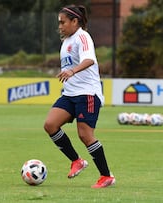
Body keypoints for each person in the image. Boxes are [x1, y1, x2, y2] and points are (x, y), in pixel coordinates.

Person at [43, 5, 115, 188]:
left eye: (63, 22)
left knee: (85, 135)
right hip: (70, 94)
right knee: (50, 125)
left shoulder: (82, 36)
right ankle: (77, 161)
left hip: (87, 93)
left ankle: (106, 176)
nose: (59, 26)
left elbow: (89, 59)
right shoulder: (66, 40)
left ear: (75, 21)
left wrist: (72, 71)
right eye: (59, 22)